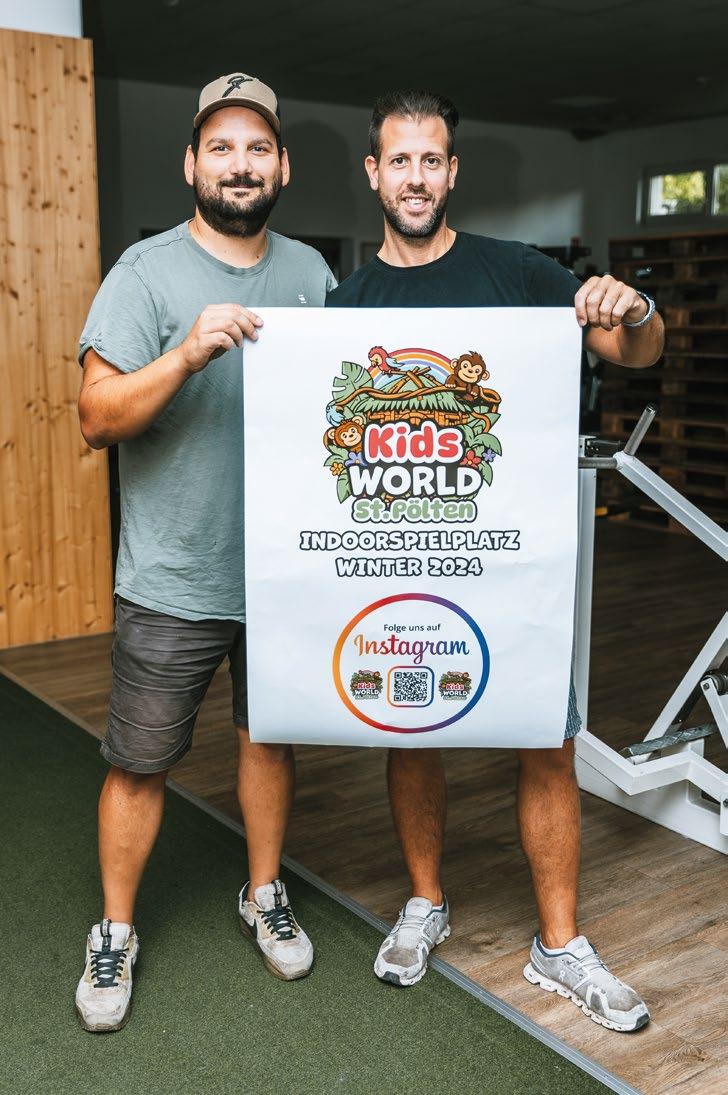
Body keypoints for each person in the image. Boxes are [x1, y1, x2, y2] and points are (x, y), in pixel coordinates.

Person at [327, 90, 662, 1032]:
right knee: (410, 730)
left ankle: (559, 943)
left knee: (544, 739)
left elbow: (637, 351)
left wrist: (636, 306)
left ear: (452, 172)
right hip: (400, 559)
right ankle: (425, 900)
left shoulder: (516, 271)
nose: (416, 178)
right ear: (374, 173)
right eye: (400, 161)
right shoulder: (347, 307)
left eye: (432, 160)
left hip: (515, 560)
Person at [74, 72, 336, 1033]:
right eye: (221, 147)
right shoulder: (143, 273)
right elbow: (96, 417)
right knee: (140, 762)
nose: (240, 164)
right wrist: (185, 354)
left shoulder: (312, 274)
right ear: (191, 164)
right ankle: (115, 929)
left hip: (284, 573)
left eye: (257, 148)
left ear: (283, 166)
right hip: (174, 575)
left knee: (269, 739)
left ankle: (263, 892)